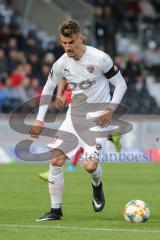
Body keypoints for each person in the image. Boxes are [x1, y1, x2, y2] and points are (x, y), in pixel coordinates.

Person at [29, 19, 127, 221]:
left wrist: (110, 109)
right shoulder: (61, 64)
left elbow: (121, 85)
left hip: (98, 119)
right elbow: (47, 88)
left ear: (81, 38)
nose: (68, 47)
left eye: (71, 42)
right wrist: (39, 120)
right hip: (73, 118)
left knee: (90, 166)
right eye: (64, 43)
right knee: (56, 158)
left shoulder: (100, 59)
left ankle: (97, 185)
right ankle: (56, 211)